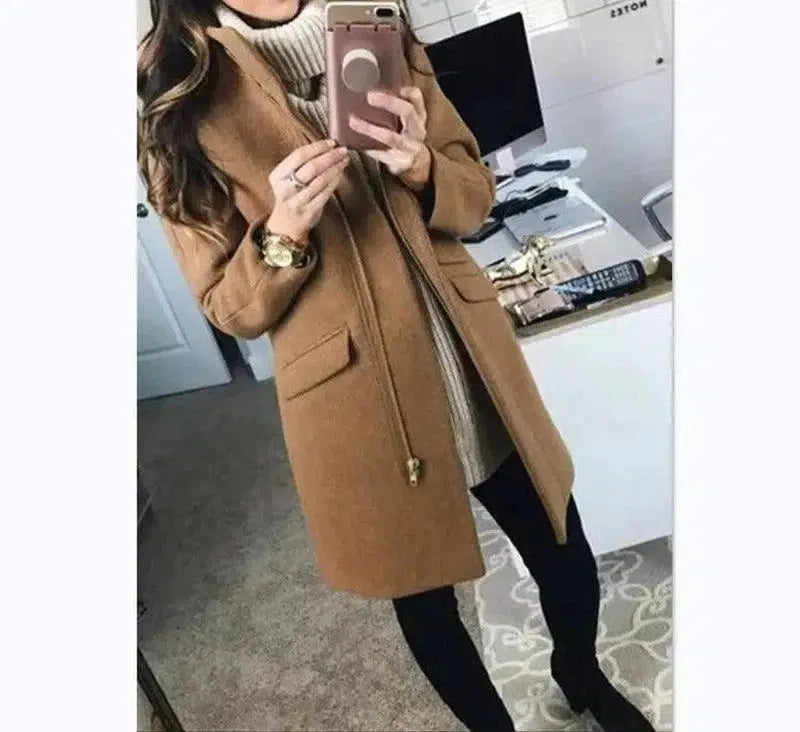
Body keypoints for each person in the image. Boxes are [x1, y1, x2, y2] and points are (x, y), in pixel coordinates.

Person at [137, 2, 655, 729]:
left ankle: (581, 672)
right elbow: (229, 308)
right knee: (425, 600)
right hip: (355, 392)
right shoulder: (176, 83)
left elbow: (475, 198)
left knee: (564, 547)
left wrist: (421, 165)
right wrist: (282, 231)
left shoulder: (373, 18)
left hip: (468, 363)